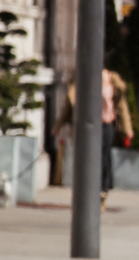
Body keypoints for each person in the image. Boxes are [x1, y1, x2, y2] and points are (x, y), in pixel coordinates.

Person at [54, 57, 133, 211]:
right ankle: (88, 193)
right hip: (86, 128)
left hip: (106, 126)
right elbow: (68, 106)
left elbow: (122, 107)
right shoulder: (82, 79)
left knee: (103, 159)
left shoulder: (112, 80)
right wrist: (58, 125)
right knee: (87, 160)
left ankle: (102, 191)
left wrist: (127, 129)